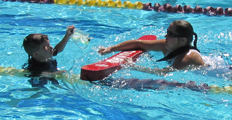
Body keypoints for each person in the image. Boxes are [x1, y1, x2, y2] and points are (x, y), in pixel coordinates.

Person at [98, 20, 206, 75]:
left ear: (182, 40)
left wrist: (134, 66)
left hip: (211, 73)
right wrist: (111, 49)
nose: (165, 36)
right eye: (167, 32)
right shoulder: (166, 45)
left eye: (170, 34)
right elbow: (138, 43)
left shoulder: (187, 57)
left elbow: (162, 73)